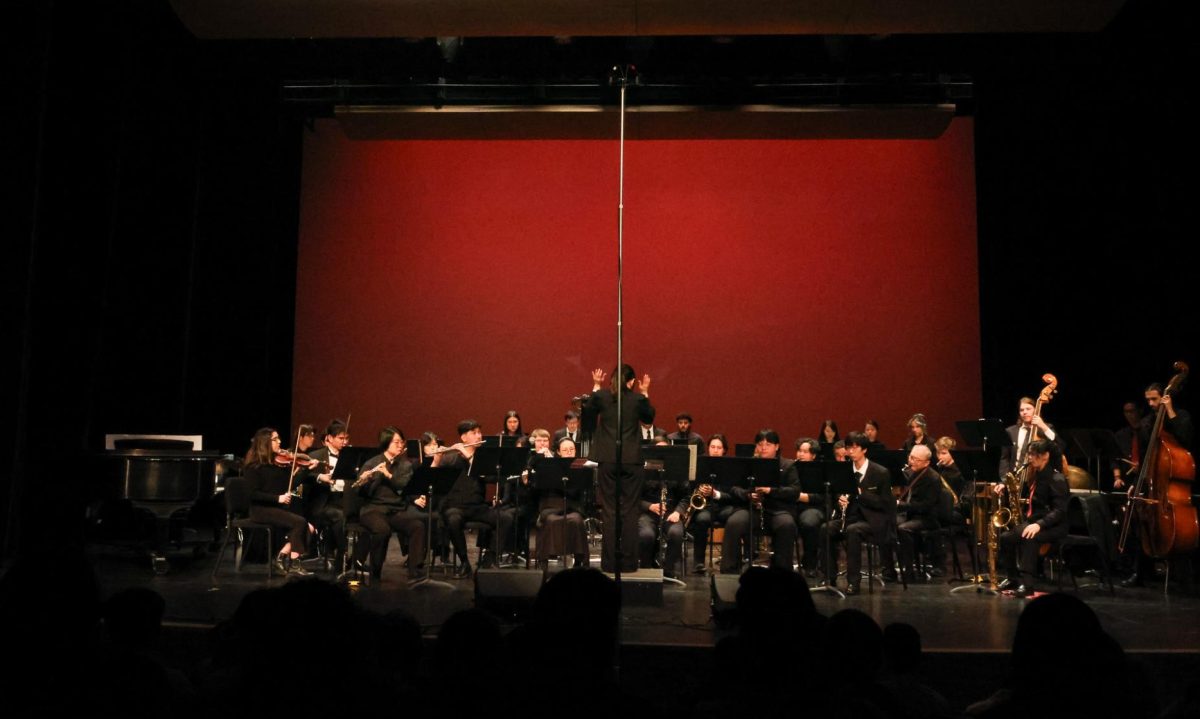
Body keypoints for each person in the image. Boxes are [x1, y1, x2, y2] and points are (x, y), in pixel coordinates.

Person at [581, 364, 655, 573]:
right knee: (630, 511)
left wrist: (596, 386)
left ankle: (609, 564)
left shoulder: (603, 396)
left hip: (608, 459)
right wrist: (645, 391)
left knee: (610, 511)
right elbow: (649, 417)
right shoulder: (637, 399)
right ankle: (630, 564)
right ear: (631, 382)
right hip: (632, 460)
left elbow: (587, 417)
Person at [821, 431, 896, 594]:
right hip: (851, 516)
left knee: (852, 531)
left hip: (873, 519)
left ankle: (853, 582)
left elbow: (884, 503)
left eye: (855, 448)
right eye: (849, 448)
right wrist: (841, 499)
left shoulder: (880, 472)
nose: (851, 451)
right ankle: (829, 577)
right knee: (826, 528)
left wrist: (860, 494)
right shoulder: (844, 470)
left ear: (864, 450)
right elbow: (835, 493)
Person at [437, 420, 514, 577]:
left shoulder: (484, 456)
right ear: (464, 438)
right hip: (455, 506)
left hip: (477, 507)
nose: (479, 436)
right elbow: (434, 478)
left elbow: (493, 478)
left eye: (479, 432)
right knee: (453, 520)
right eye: (474, 433)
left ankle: (489, 558)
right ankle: (464, 563)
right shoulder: (450, 457)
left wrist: (468, 456)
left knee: (505, 518)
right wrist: (437, 458)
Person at [994, 439, 1069, 597]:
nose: (1030, 458)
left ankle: (1028, 584)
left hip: (1055, 526)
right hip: (1036, 522)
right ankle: (1012, 578)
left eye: (1034, 455)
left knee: (1030, 537)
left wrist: (1039, 525)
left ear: (1045, 456)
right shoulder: (1036, 476)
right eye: (1029, 454)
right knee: (1007, 537)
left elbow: (1060, 511)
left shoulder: (1057, 479)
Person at [355, 426, 429, 581]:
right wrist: (365, 481)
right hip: (373, 510)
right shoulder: (372, 463)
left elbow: (403, 485)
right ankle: (375, 571)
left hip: (395, 510)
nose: (400, 445)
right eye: (396, 442)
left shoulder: (405, 465)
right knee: (382, 530)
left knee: (417, 526)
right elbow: (361, 493)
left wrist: (388, 474)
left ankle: (415, 571)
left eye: (401, 442)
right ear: (386, 443)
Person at [720, 429, 799, 573]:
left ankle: (782, 572)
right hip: (751, 508)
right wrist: (747, 494)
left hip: (777, 509)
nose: (763, 448)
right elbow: (733, 488)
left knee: (786, 524)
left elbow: (794, 491)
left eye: (768, 444)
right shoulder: (748, 464)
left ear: (777, 446)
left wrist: (771, 491)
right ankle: (729, 571)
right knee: (734, 522)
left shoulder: (787, 465)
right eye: (760, 444)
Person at [242, 427, 314, 576]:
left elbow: (291, 484)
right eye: (275, 439)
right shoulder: (253, 467)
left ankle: (280, 557)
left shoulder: (280, 464)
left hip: (277, 509)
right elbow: (252, 494)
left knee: (309, 527)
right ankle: (294, 564)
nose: (279, 442)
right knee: (300, 522)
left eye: (278, 438)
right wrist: (278, 498)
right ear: (265, 443)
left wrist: (307, 470)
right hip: (260, 510)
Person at [525, 431, 589, 568]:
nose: (569, 452)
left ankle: (580, 561)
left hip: (572, 505)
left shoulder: (579, 464)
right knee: (551, 520)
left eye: (572, 449)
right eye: (565, 450)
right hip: (550, 506)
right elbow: (536, 485)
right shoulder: (548, 464)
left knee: (576, 520)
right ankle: (543, 562)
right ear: (559, 452)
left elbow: (579, 490)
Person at [298, 419, 349, 568]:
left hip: (343, 499)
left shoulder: (349, 455)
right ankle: (342, 555)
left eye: (346, 438)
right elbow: (304, 476)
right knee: (340, 516)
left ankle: (355, 559)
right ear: (329, 438)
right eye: (341, 438)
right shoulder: (316, 455)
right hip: (323, 502)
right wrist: (320, 477)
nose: (344, 442)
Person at [686, 434, 735, 574]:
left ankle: (730, 560)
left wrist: (715, 494)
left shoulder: (730, 467)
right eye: (712, 447)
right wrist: (700, 490)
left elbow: (733, 494)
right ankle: (698, 562)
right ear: (708, 448)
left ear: (724, 450)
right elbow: (691, 487)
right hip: (706, 507)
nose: (715, 450)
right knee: (702, 519)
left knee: (735, 518)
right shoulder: (700, 465)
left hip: (725, 505)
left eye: (719, 447)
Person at [895, 445, 944, 583]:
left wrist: (902, 506)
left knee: (903, 528)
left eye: (916, 460)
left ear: (927, 462)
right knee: (888, 522)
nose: (911, 462)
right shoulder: (913, 472)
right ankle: (890, 568)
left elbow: (926, 506)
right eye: (911, 457)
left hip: (927, 518)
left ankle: (909, 571)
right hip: (912, 514)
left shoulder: (933, 478)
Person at [998, 397, 1062, 478]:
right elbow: (1005, 458)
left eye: (1028, 409)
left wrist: (1043, 426)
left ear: (1036, 410)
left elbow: (1059, 446)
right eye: (1022, 410)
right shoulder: (1010, 431)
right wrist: (1004, 480)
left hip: (1038, 478)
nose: (1025, 412)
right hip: (1015, 478)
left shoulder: (1046, 428)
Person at [792, 437, 825, 576]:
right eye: (799, 451)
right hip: (792, 506)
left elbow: (822, 497)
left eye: (805, 452)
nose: (800, 454)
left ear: (813, 455)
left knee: (809, 522)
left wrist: (799, 496)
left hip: (814, 507)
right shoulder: (791, 467)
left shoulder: (820, 471)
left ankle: (810, 564)